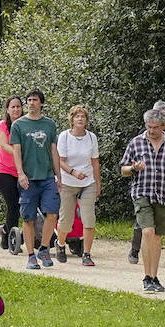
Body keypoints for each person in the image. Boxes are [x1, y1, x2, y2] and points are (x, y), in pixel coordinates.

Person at [119, 108, 165, 294]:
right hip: (142, 193)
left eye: (155, 127)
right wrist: (133, 168)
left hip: (163, 196)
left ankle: (154, 276)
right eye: (148, 127)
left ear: (164, 125)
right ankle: (146, 277)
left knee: (157, 237)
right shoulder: (136, 143)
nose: (151, 130)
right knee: (147, 232)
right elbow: (123, 169)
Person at [10, 90, 61, 270]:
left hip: (47, 176)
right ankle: (31, 255)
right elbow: (16, 151)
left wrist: (58, 176)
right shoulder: (18, 125)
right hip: (28, 178)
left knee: (52, 213)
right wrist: (20, 173)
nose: (31, 103)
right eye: (29, 100)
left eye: (35, 100)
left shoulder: (49, 124)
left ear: (41, 104)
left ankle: (44, 248)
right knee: (28, 217)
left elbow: (54, 151)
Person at [58, 105, 101, 267]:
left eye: (83, 116)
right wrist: (73, 172)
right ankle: (61, 244)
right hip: (68, 183)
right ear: (72, 120)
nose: (80, 119)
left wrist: (98, 183)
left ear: (87, 120)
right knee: (66, 222)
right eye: (77, 116)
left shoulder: (91, 138)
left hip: (87, 183)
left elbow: (95, 162)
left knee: (89, 219)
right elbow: (60, 161)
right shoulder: (64, 137)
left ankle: (87, 254)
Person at [0, 97, 24, 251]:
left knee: (25, 204)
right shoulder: (2, 125)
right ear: (7, 109)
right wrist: (20, 154)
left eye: (18, 106)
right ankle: (12, 238)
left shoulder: (26, 126)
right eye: (13, 107)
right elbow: (4, 145)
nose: (16, 109)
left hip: (22, 171)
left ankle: (6, 230)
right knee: (13, 203)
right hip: (3, 170)